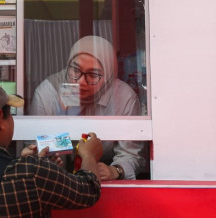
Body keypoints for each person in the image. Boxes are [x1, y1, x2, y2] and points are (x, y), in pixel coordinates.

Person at [0, 79, 103, 218]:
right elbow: (88, 190)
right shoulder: (32, 171)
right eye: (10, 114)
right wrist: (88, 154)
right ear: (0, 117)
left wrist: (24, 163)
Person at [30, 35, 147, 180]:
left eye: (93, 74)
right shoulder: (50, 91)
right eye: (75, 70)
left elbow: (131, 153)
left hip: (102, 182)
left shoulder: (123, 97)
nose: (80, 81)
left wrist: (115, 170)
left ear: (109, 75)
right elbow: (34, 148)